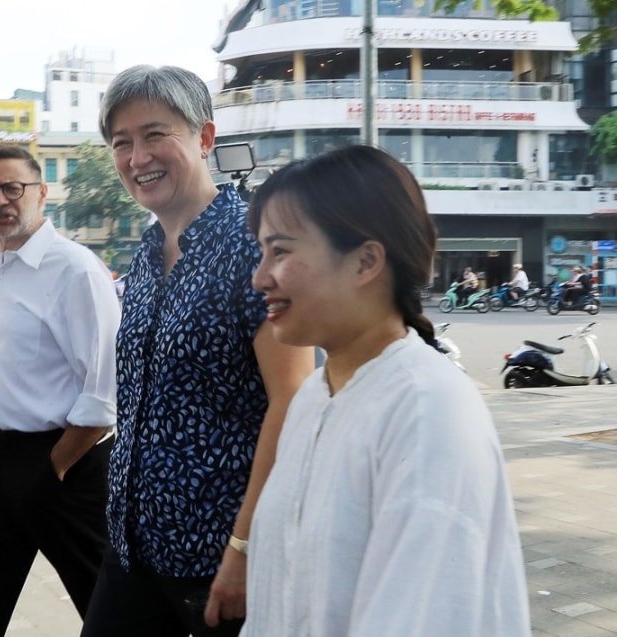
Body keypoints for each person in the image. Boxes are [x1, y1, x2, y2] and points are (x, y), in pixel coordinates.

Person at [241, 145, 531, 636]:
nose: (259, 277)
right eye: (263, 252)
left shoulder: (428, 412)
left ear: (365, 262)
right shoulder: (315, 397)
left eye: (282, 251)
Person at [80, 65, 314, 637]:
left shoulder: (252, 243)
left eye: (156, 135)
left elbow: (293, 399)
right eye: (122, 143)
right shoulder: (146, 249)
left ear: (204, 138)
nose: (138, 157)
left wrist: (244, 545)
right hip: (134, 545)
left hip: (217, 555)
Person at [0, 144, 121, 636]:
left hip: (63, 468)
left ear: (41, 194)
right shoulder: (0, 266)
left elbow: (103, 393)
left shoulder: (76, 270)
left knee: (108, 611)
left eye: (12, 188)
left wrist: (52, 467)